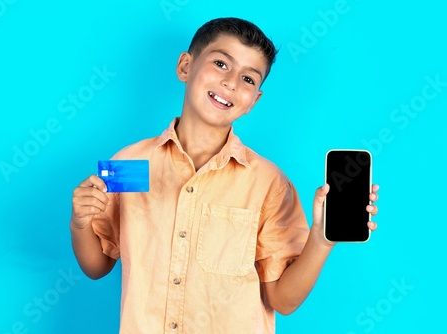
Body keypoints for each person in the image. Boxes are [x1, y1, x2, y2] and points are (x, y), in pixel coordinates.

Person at [69, 17, 379, 333]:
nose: (231, 82)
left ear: (253, 101)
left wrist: (321, 239)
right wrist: (80, 222)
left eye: (248, 79)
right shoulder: (130, 162)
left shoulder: (270, 184)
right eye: (221, 63)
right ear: (185, 66)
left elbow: (283, 301)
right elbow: (98, 265)